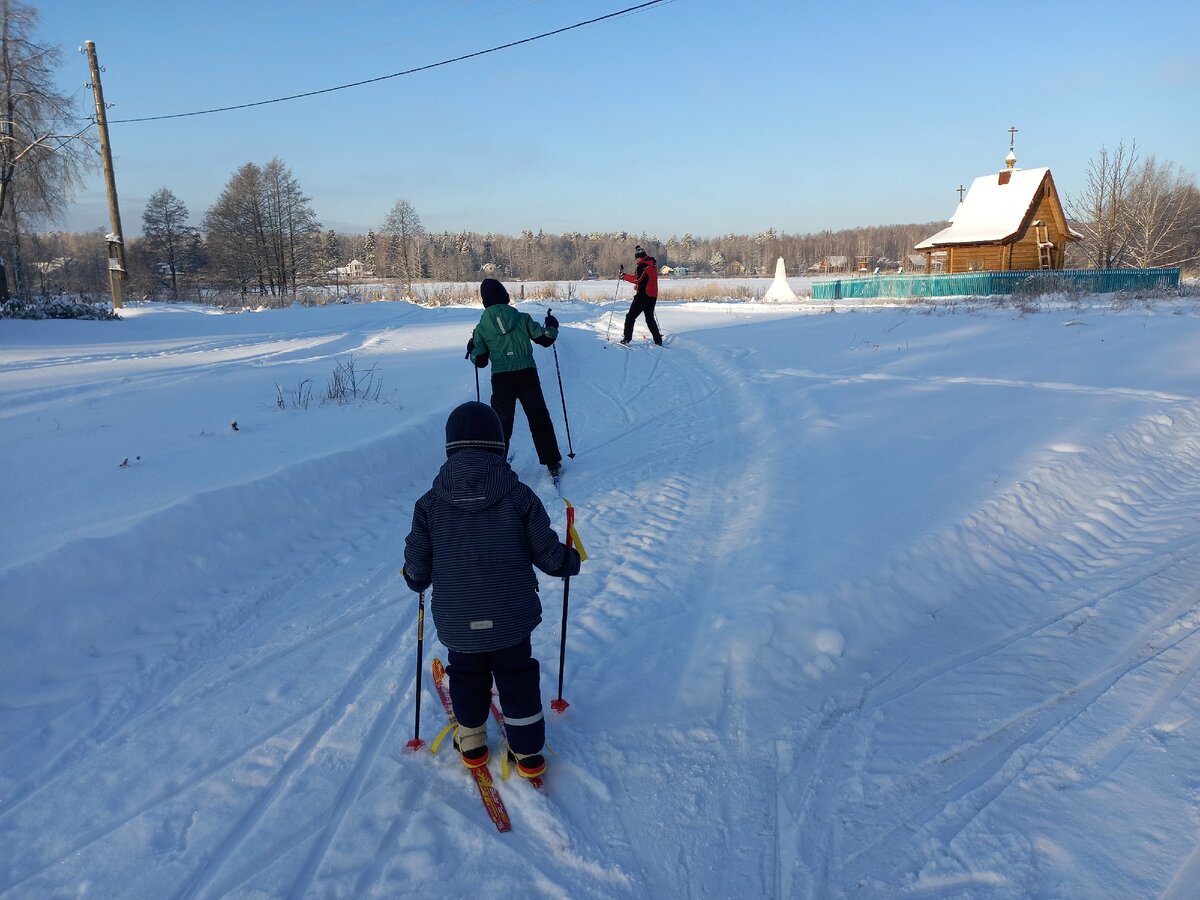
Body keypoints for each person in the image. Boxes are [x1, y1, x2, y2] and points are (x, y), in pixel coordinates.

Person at [403, 401, 582, 778]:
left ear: (450, 447)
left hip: (457, 618)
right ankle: (528, 751)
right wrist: (567, 561)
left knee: (466, 674)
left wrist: (416, 578)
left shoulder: (429, 504)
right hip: (511, 617)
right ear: (499, 445)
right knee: (516, 675)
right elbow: (547, 553)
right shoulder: (519, 496)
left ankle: (471, 742)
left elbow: (418, 562)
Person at [467, 278, 564, 478]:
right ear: (505, 296)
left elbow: (480, 361)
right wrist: (552, 325)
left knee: (500, 422)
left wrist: (473, 348)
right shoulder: (522, 318)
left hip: (501, 379)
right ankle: (552, 461)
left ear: (485, 301)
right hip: (527, 374)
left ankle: (496, 464)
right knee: (538, 417)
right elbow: (546, 339)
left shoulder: (482, 327)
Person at [619, 244, 663, 345]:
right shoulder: (651, 264)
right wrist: (638, 285)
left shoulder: (642, 266)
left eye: (636, 259)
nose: (635, 261)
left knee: (630, 316)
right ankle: (658, 340)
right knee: (649, 318)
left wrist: (623, 276)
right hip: (653, 295)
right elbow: (646, 279)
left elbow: (636, 279)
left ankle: (627, 339)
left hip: (643, 296)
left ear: (640, 258)